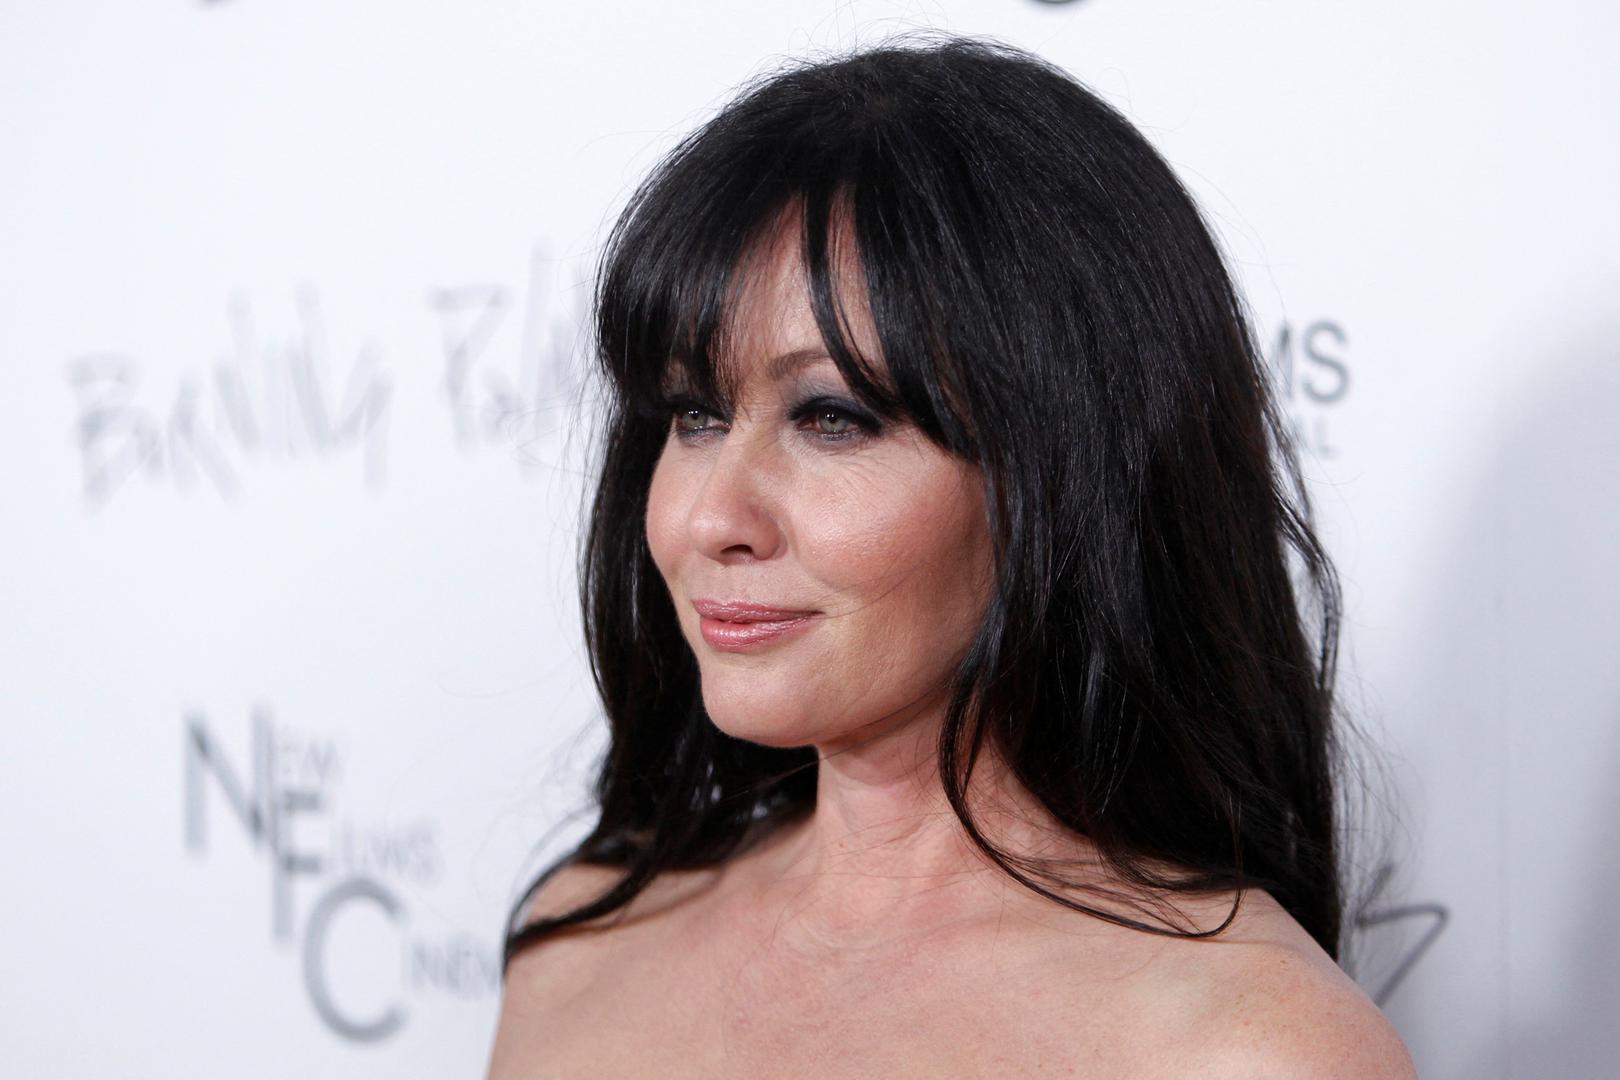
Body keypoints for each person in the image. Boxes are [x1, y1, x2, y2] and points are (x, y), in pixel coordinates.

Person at [486, 31, 1415, 1078]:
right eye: (695, 413)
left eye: (832, 418)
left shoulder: (1248, 1050)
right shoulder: (582, 951)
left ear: (1060, 474)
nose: (711, 519)